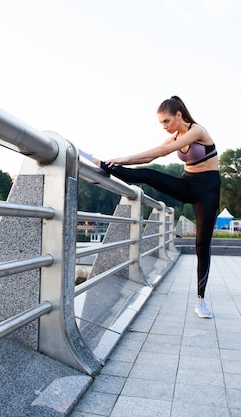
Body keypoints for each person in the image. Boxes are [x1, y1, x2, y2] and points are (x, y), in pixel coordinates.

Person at [97, 96, 221, 318]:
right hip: (187, 184)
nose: (164, 127)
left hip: (208, 190)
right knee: (150, 176)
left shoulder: (197, 131)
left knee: (202, 244)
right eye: (161, 123)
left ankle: (201, 300)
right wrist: (122, 160)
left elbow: (162, 153)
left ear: (179, 115)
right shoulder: (176, 135)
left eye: (166, 121)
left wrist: (125, 158)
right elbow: (150, 156)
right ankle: (108, 167)